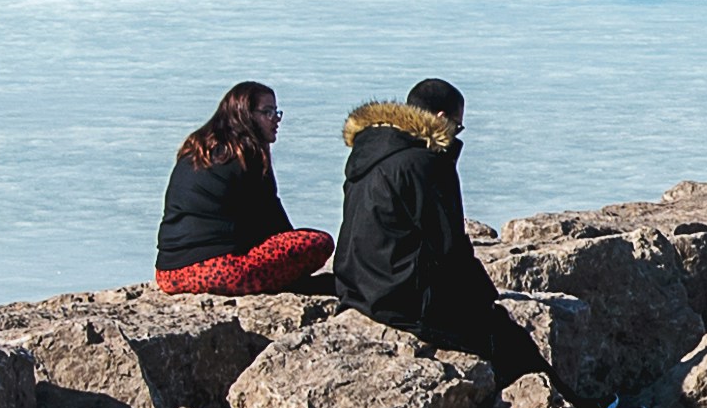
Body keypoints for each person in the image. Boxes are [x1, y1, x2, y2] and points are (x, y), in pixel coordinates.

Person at [333, 76, 547, 377]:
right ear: (442, 118)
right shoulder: (425, 163)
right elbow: (450, 249)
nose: (456, 134)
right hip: (400, 301)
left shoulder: (370, 151)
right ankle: (569, 402)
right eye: (457, 127)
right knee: (506, 337)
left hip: (356, 287)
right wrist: (485, 300)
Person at [153, 81, 332, 297]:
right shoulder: (247, 154)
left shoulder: (198, 149)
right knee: (318, 243)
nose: (276, 119)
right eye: (267, 112)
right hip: (216, 271)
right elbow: (271, 221)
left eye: (276, 112)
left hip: (168, 274)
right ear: (245, 115)